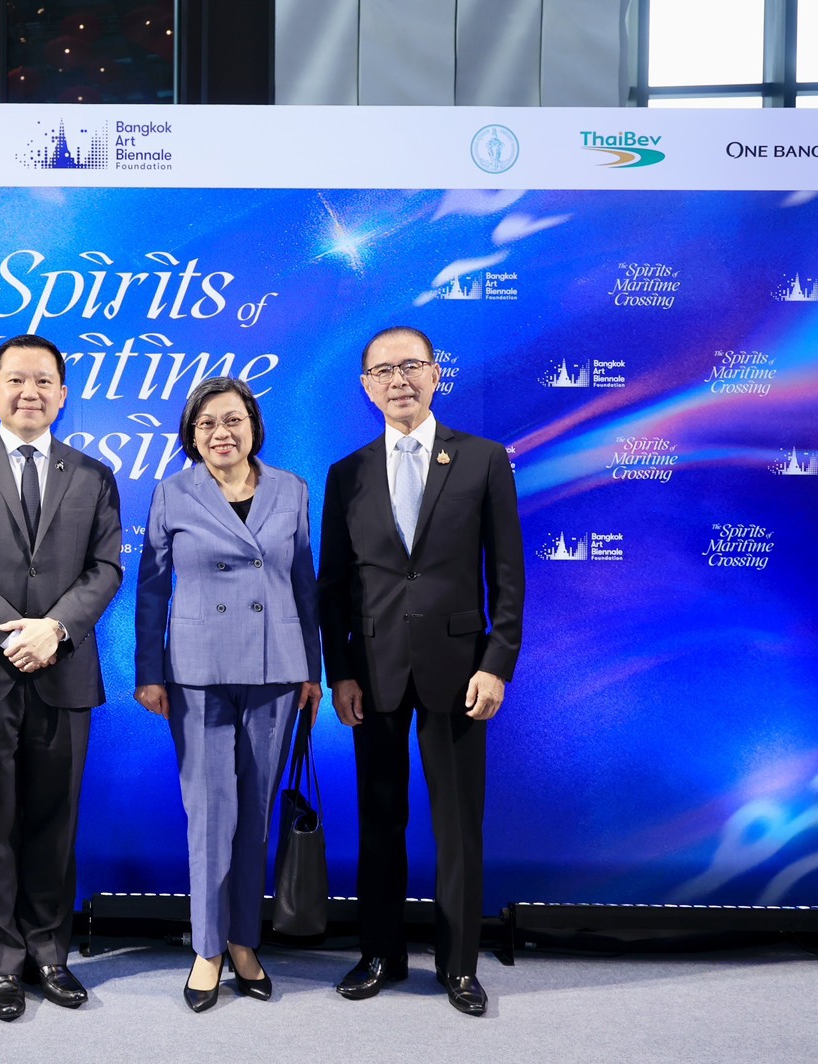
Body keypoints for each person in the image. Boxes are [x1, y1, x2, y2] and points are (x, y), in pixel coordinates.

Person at [318, 326, 524, 1017]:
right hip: (373, 672)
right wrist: (340, 672)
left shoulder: (483, 459)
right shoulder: (346, 473)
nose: (398, 380)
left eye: (411, 366)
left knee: (458, 826)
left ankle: (459, 964)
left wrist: (496, 664)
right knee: (380, 819)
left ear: (436, 374)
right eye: (383, 371)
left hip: (460, 671)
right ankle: (380, 953)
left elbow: (509, 575)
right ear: (366, 386)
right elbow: (332, 587)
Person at [0, 334, 123, 1022]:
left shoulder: (94, 475)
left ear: (63, 395)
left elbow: (106, 568)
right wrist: (14, 635)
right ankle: (0, 965)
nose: (29, 392)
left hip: (63, 671)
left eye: (43, 381)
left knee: (53, 824)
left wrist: (55, 629)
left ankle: (49, 953)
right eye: (15, 380)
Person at [134, 377, 323, 1012]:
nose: (222, 432)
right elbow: (152, 588)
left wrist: (312, 669)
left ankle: (245, 941)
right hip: (197, 671)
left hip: (276, 669)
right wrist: (149, 670)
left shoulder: (292, 489)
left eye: (233, 419)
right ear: (191, 435)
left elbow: (304, 584)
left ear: (253, 426)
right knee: (210, 816)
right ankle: (208, 948)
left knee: (256, 815)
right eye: (207, 423)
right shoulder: (172, 492)